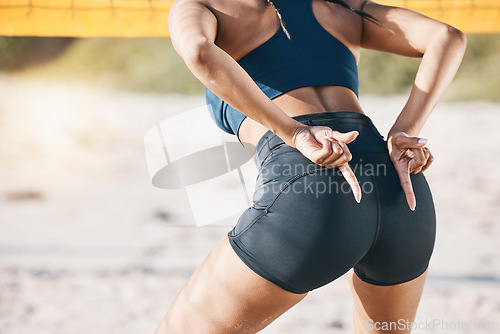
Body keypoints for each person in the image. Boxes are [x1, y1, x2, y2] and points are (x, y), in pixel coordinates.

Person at [156, 0, 466, 332]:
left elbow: (199, 52)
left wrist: (293, 131)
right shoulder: (344, 5)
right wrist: (406, 130)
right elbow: (446, 36)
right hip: (398, 185)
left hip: (310, 185)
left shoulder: (205, 6)